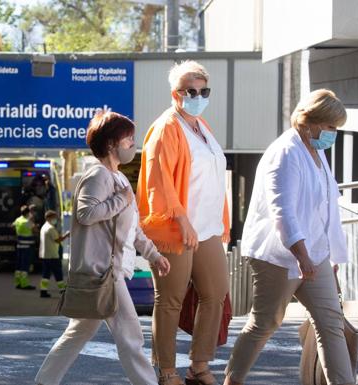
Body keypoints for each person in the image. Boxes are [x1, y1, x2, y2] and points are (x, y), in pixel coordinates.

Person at [223, 89, 354, 385]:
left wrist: (329, 254)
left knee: (330, 321)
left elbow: (326, 205)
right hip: (279, 255)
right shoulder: (285, 152)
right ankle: (232, 380)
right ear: (312, 121)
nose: (333, 133)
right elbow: (283, 210)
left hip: (316, 254)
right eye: (331, 126)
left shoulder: (316, 150)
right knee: (265, 323)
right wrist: (302, 255)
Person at [35, 111, 171, 385]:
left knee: (79, 332)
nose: (133, 144)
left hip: (108, 271)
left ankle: (43, 382)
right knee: (131, 335)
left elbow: (132, 228)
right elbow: (86, 214)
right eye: (128, 139)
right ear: (111, 144)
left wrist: (154, 255)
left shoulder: (118, 178)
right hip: (103, 272)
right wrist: (120, 201)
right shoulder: (98, 175)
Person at [137, 60, 231, 385]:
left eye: (204, 90)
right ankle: (166, 371)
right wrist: (182, 220)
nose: (198, 95)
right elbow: (158, 180)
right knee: (171, 300)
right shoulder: (166, 127)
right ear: (175, 94)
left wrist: (218, 224)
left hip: (207, 228)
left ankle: (199, 365)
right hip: (176, 229)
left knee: (215, 293)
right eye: (191, 90)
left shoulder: (201, 126)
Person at [38, 210, 69, 298]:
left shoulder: (44, 227)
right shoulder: (50, 228)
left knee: (46, 274)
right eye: (54, 217)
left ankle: (43, 291)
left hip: (45, 255)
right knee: (58, 273)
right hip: (52, 255)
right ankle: (62, 290)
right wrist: (67, 235)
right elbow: (58, 240)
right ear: (49, 218)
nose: (55, 219)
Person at [13, 205, 37, 290]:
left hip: (19, 246)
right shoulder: (27, 222)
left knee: (19, 265)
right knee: (25, 265)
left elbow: (13, 226)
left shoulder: (18, 220)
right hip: (27, 247)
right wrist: (32, 219)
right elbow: (35, 230)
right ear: (28, 213)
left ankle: (18, 282)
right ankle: (24, 284)